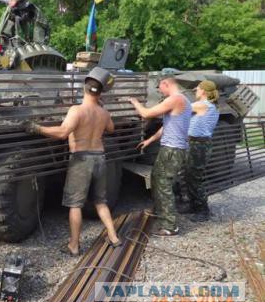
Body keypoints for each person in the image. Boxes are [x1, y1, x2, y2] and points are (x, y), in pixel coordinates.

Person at [26, 67, 121, 256]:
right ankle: (114, 237)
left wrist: (37, 128)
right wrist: (102, 107)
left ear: (84, 88)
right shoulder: (103, 112)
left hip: (81, 160)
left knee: (75, 204)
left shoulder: (76, 110)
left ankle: (74, 245)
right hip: (100, 158)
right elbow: (111, 128)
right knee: (101, 201)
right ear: (101, 92)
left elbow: (62, 133)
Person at [129, 77, 191, 236]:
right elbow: (166, 127)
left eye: (160, 87)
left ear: (167, 84)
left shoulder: (175, 99)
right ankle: (160, 211)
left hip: (172, 149)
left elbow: (146, 114)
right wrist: (149, 140)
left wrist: (135, 102)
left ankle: (170, 226)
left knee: (163, 183)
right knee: (156, 178)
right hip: (171, 148)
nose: (159, 91)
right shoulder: (183, 100)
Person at [179, 80, 219, 222]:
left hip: (199, 146)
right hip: (195, 144)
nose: (195, 91)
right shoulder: (207, 106)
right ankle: (192, 204)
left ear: (203, 91)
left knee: (195, 178)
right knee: (187, 176)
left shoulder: (203, 105)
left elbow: (182, 108)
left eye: (197, 89)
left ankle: (203, 210)